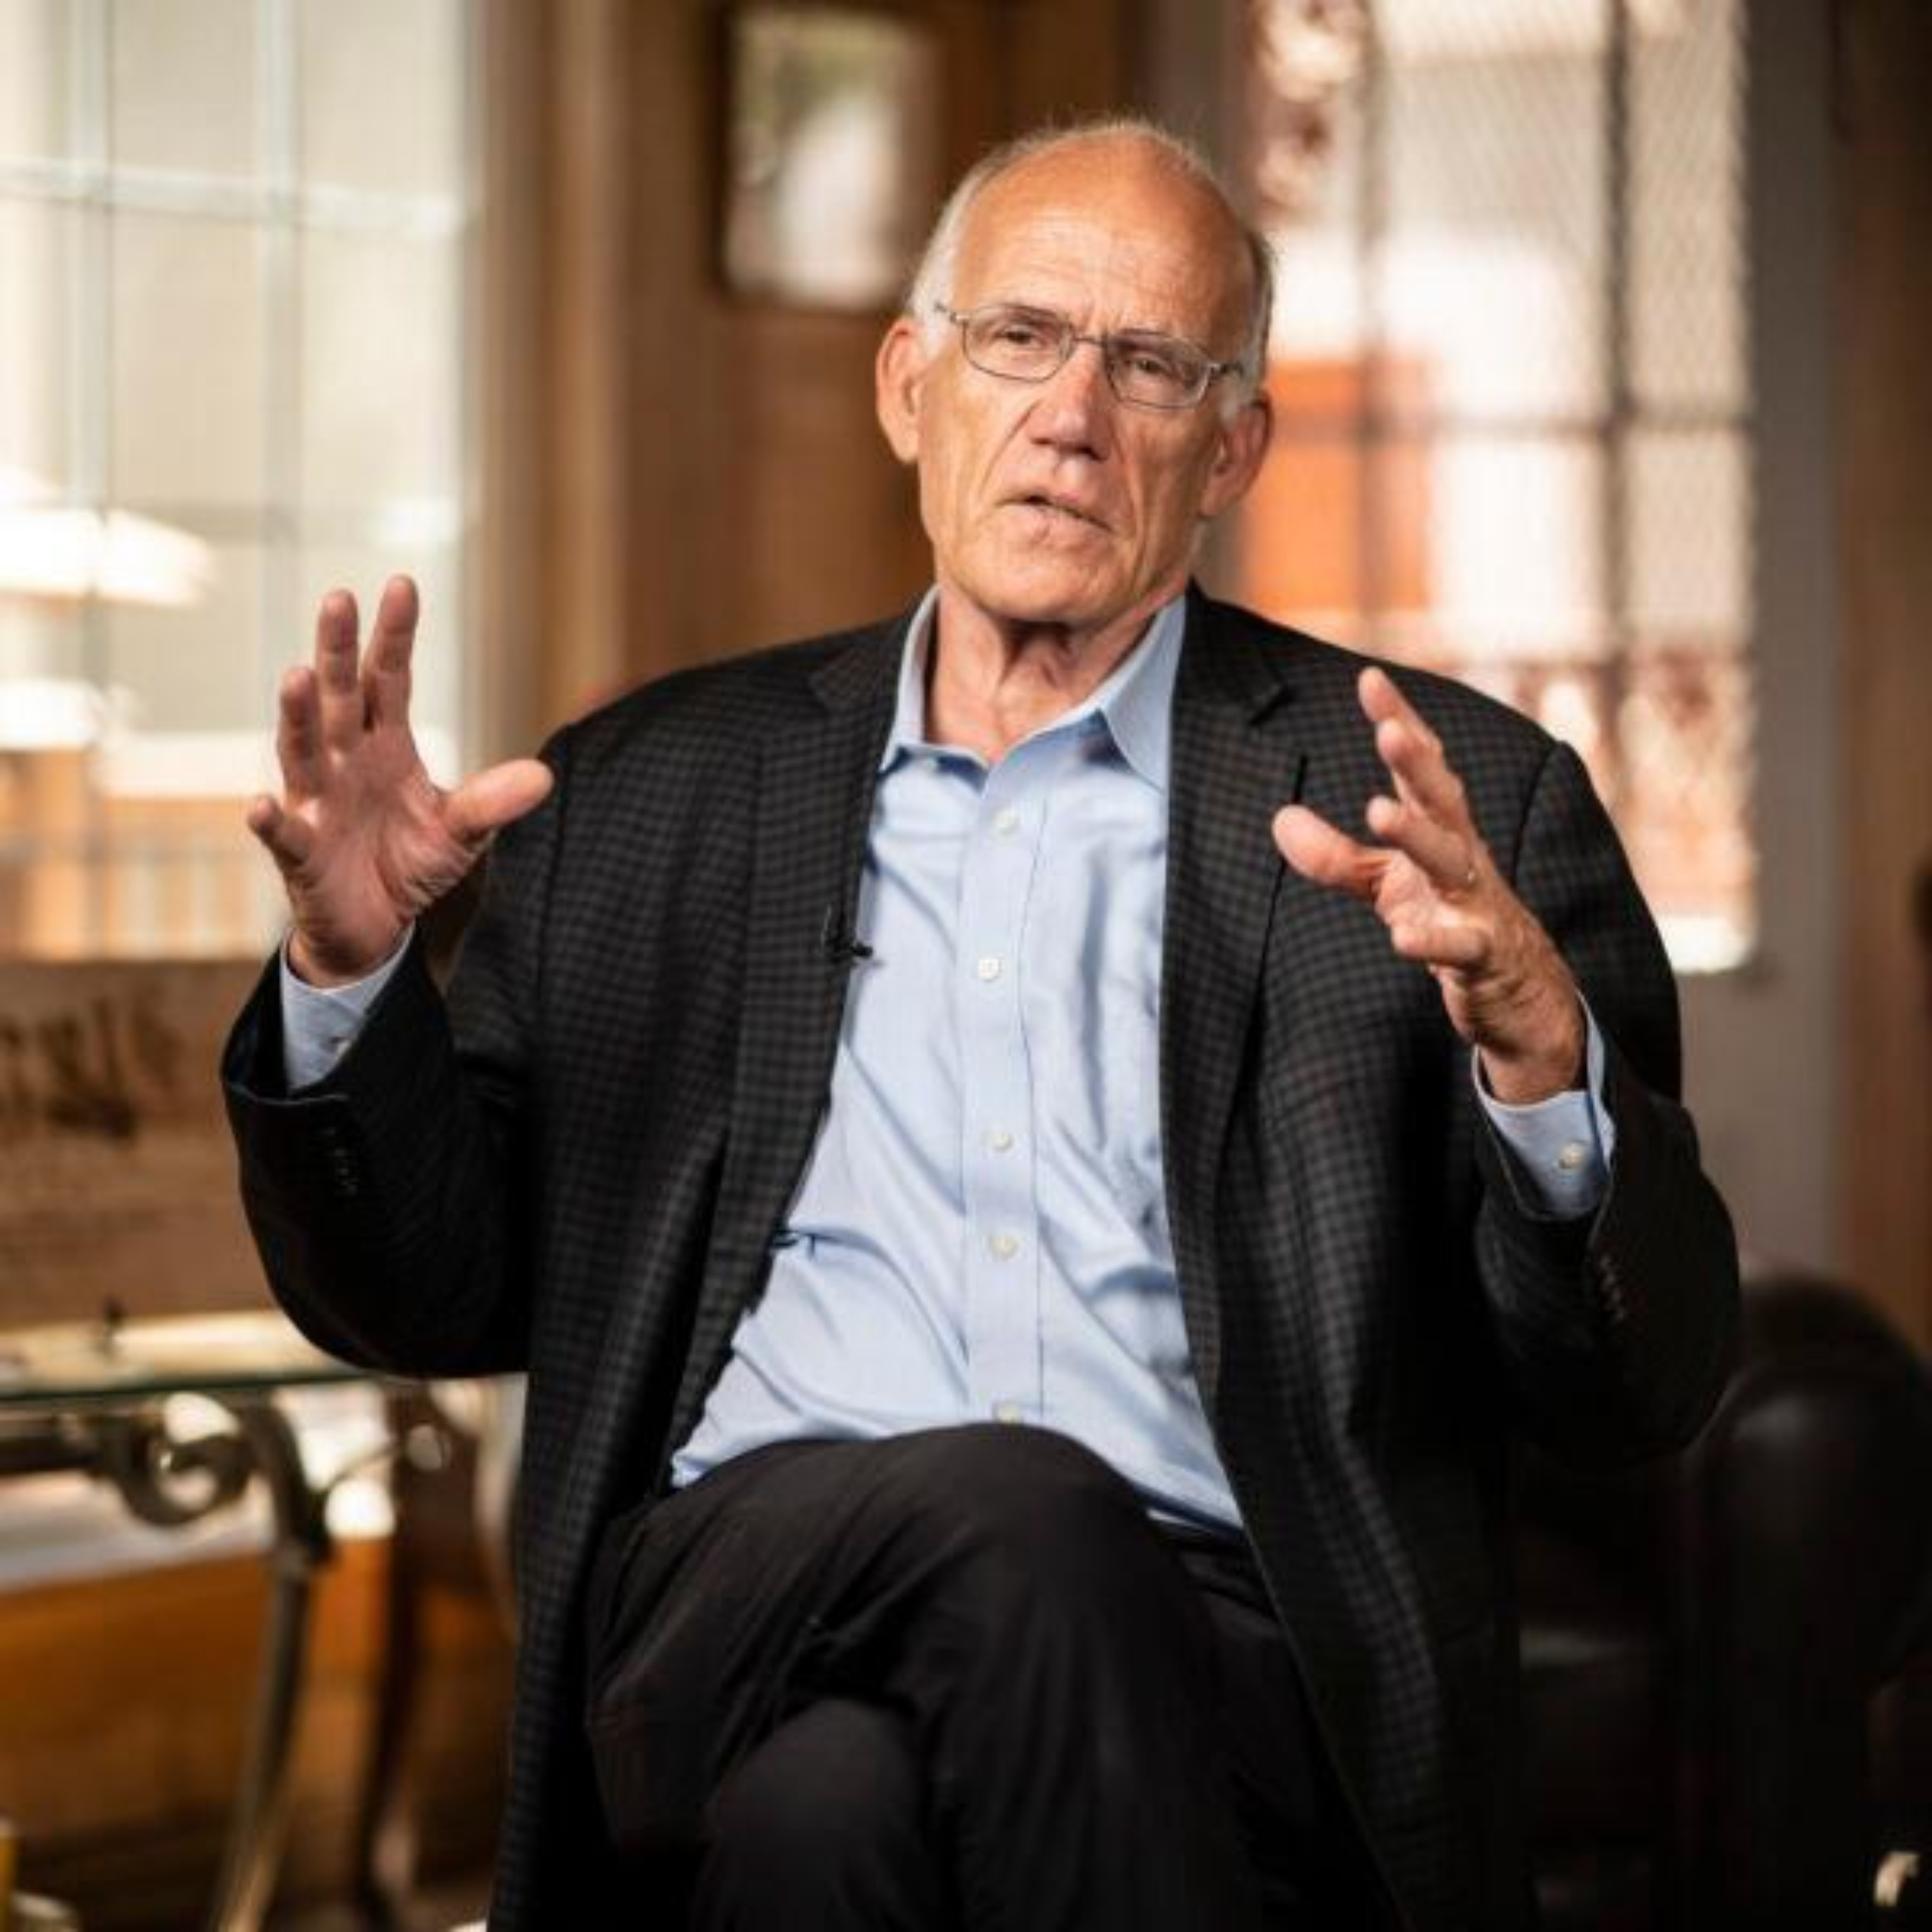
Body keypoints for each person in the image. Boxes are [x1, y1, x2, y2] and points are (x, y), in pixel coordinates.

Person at [223, 119, 1739, 1931]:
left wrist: (1541, 1066)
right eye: (1020, 337)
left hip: (1238, 1647)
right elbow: (421, 1298)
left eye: (1151, 365)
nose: (1073, 416)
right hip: (736, 1585)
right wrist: (349, 977)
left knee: (828, 1818)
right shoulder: (646, 794)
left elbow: (1641, 1386)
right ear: (910, 386)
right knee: (1025, 1519)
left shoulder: (1444, 811)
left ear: (1232, 450)